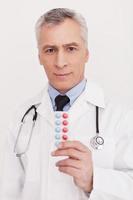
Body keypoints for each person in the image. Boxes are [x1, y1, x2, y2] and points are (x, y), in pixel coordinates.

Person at [0, 8, 133, 200]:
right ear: (39, 57)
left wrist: (95, 179)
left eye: (71, 49)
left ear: (86, 54)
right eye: (50, 50)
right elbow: (9, 191)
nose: (60, 62)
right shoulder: (23, 117)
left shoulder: (121, 116)